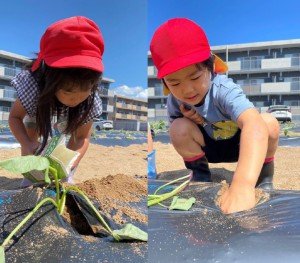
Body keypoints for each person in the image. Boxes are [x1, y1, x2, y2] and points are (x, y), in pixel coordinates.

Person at [150, 18, 280, 214]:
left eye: (194, 77)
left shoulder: (223, 89)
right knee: (178, 128)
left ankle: (264, 179)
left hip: (240, 146)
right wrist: (198, 121)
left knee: (269, 122)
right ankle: (201, 179)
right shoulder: (175, 101)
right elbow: (184, 134)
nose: (187, 89)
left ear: (210, 69)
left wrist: (242, 185)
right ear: (165, 83)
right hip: (210, 147)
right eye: (175, 83)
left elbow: (253, 124)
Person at [9, 16, 104, 185]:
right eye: (68, 91)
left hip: (68, 116)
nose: (76, 99)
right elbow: (15, 118)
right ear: (50, 79)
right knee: (32, 133)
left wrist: (67, 167)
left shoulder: (89, 99)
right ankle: (30, 177)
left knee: (66, 169)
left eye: (85, 89)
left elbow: (82, 138)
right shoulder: (34, 84)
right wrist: (28, 143)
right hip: (41, 105)